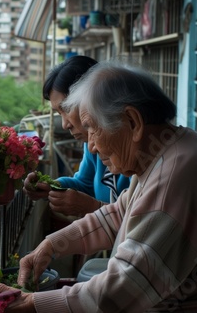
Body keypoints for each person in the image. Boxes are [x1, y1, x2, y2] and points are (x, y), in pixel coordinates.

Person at [0, 61, 197, 312]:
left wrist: (34, 303)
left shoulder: (177, 173)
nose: (91, 146)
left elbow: (124, 289)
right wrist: (51, 244)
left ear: (132, 122)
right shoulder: (162, 155)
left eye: (92, 129)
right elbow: (116, 216)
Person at [23, 55, 130, 219]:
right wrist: (52, 186)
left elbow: (140, 221)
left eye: (67, 108)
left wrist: (91, 207)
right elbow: (86, 184)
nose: (65, 124)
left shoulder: (137, 153)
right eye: (59, 113)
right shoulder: (91, 142)